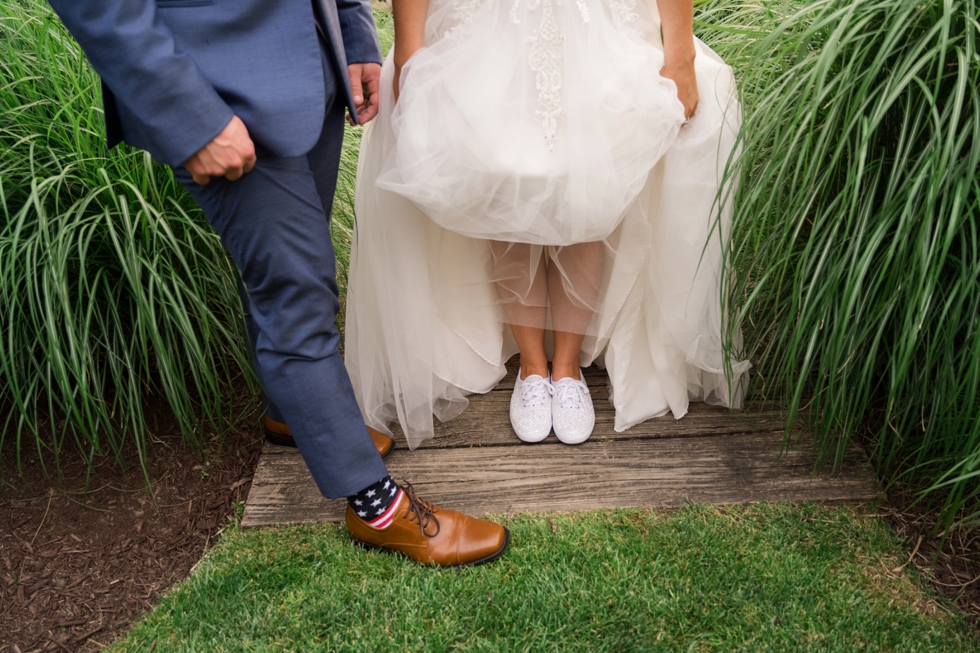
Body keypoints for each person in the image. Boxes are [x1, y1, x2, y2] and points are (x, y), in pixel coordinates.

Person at [47, 0, 508, 568]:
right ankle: (376, 508)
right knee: (298, 294)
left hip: (311, 60)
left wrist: (354, 35)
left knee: (282, 270)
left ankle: (288, 412)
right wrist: (190, 117)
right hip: (213, 88)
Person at [345, 0, 751, 448]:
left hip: (595, 22)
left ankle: (568, 366)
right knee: (505, 174)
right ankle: (533, 365)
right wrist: (409, 49)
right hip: (491, 22)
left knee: (590, 180)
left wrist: (679, 52)